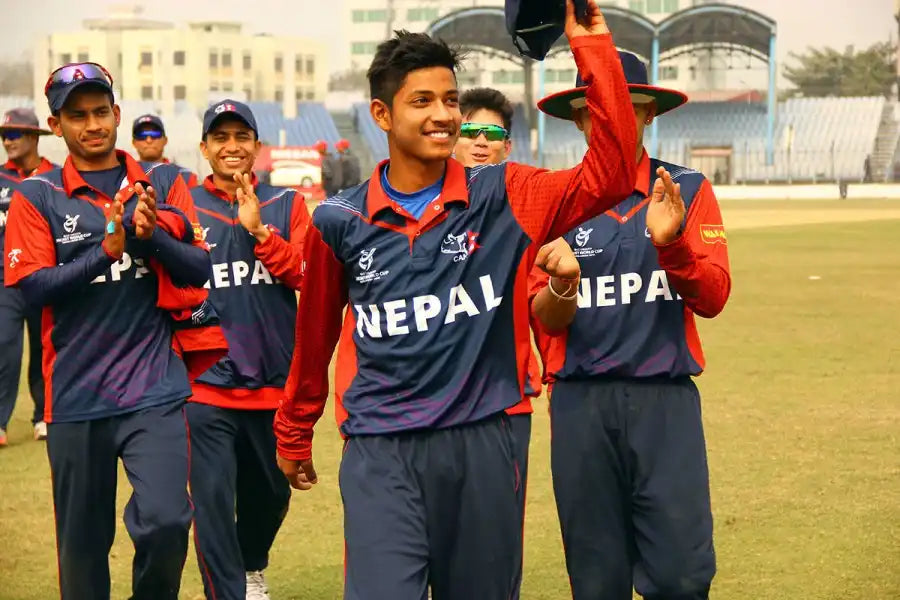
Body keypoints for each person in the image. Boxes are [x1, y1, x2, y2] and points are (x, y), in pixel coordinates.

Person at [274, 2, 638, 598]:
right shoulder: (337, 221)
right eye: (423, 102)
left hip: (485, 443)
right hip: (380, 448)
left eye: (450, 100)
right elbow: (314, 338)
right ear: (381, 115)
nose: (444, 115)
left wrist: (591, 46)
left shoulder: (506, 193)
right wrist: (294, 430)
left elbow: (616, 170)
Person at [3, 62, 214, 599]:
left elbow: (199, 269)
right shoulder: (38, 195)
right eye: (78, 115)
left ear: (117, 113)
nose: (92, 124)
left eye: (101, 112)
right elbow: (32, 289)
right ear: (57, 126)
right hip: (75, 396)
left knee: (168, 521)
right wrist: (106, 252)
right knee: (82, 551)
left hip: (154, 389)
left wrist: (149, 241)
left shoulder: (164, 181)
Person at [529, 50, 731, 600]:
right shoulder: (550, 201)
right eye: (600, 108)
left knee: (682, 577)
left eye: (628, 107)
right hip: (581, 409)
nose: (614, 119)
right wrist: (564, 285)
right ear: (580, 118)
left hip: (665, 405)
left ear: (648, 116)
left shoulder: (687, 190)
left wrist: (673, 247)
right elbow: (541, 318)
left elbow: (713, 298)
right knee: (596, 582)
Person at [451, 86, 572, 600]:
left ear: (508, 145)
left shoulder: (522, 213)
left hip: (502, 402)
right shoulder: (416, 211)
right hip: (423, 405)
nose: (480, 142)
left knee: (493, 552)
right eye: (470, 131)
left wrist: (550, 370)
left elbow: (541, 304)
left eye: (493, 134)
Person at [187, 100, 309, 600]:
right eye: (220, 138)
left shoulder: (287, 204)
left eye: (241, 137)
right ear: (204, 148)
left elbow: (305, 273)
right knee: (212, 502)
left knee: (271, 495)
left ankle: (252, 563)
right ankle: (227, 592)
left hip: (272, 384)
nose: (231, 147)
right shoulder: (187, 206)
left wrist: (259, 231)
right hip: (205, 386)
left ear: (257, 147)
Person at [0, 108, 56, 445]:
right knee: (4, 345)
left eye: (14, 135)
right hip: (5, 279)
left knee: (44, 345)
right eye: (4, 136)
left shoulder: (54, 177)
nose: (7, 141)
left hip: (44, 276)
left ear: (34, 137)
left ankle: (43, 416)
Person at [132, 114, 199, 187]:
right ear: (134, 143)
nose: (149, 140)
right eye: (142, 135)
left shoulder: (185, 176)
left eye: (155, 134)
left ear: (165, 140)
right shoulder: (125, 175)